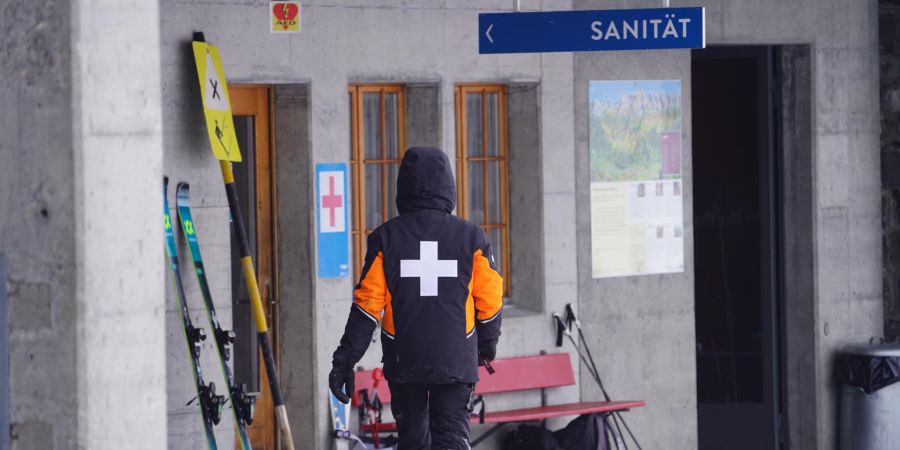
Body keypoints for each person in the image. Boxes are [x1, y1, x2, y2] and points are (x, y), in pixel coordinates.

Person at [329, 147, 504, 449]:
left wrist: (344, 361)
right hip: (455, 359)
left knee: (412, 442)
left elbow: (366, 307)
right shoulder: (471, 238)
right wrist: (485, 347)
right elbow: (490, 302)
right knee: (452, 442)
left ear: (403, 188)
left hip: (404, 359)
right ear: (449, 187)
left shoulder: (385, 238)